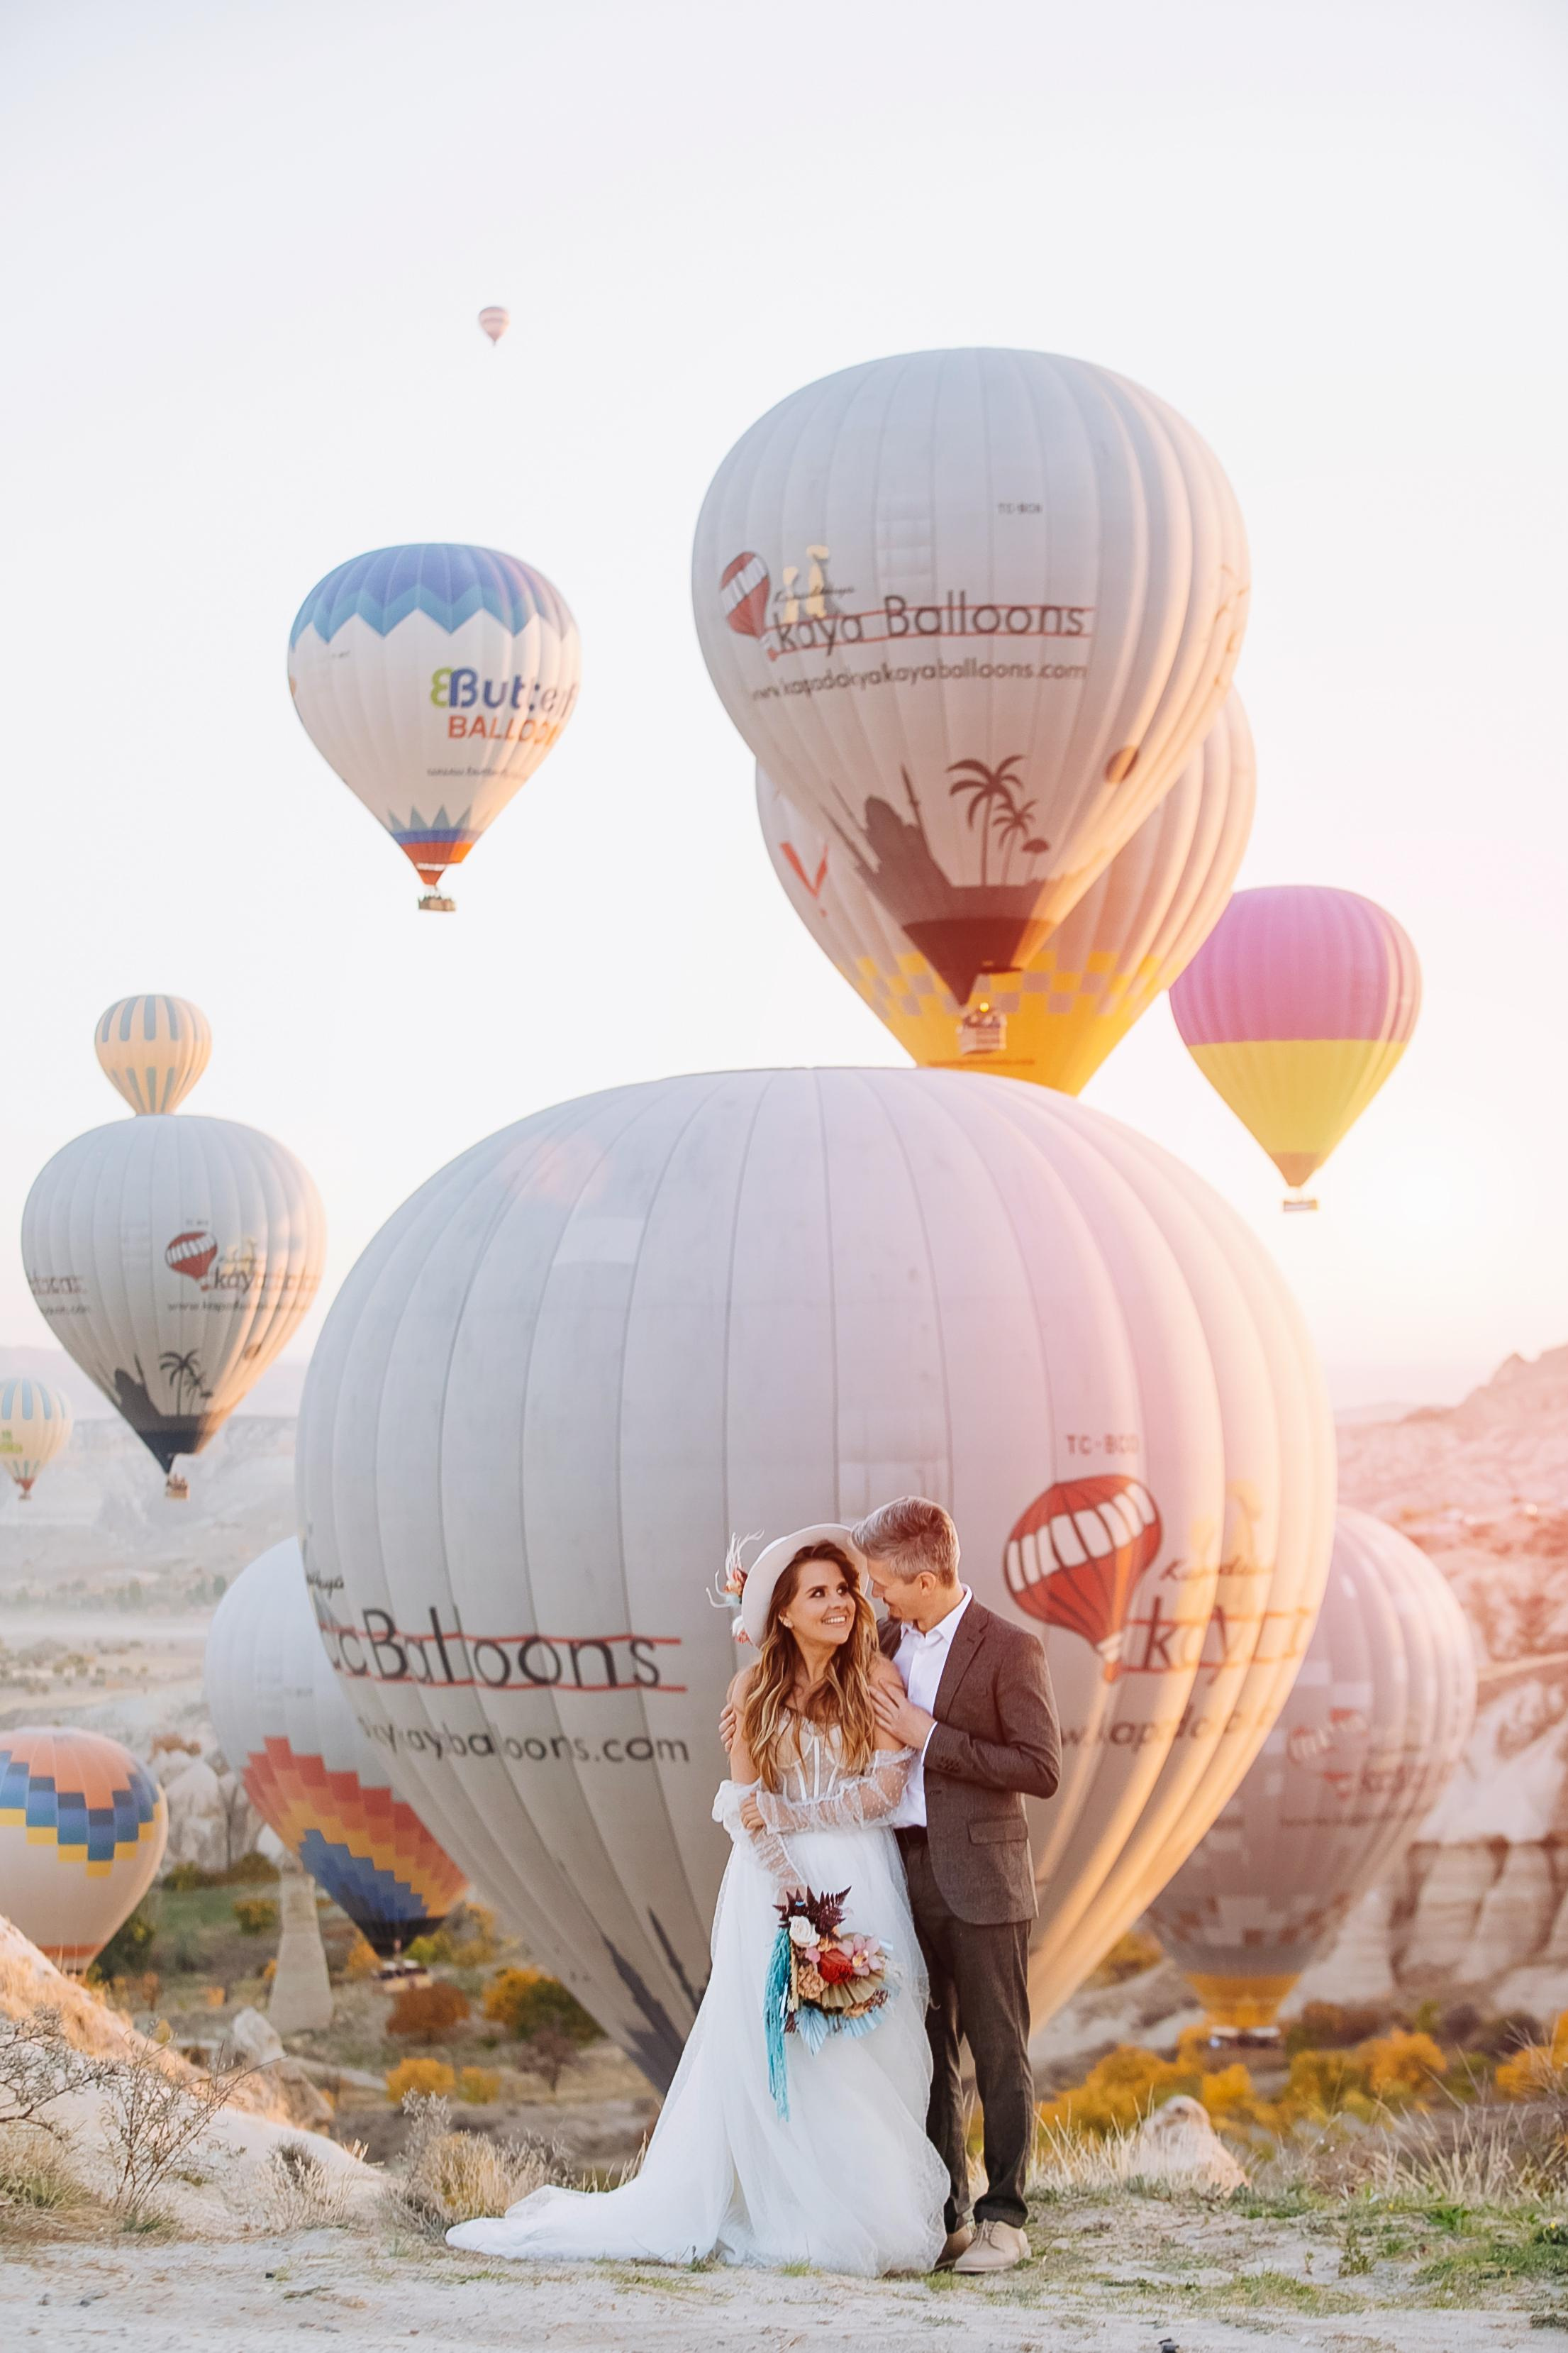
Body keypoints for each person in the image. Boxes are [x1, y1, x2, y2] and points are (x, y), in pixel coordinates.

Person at [447, 1525, 947, 2276]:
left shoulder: (876, 1678)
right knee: (782, 2053)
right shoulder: (751, 1690)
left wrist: (799, 1827)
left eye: (845, 1589)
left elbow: (882, 1793)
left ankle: (863, 2210)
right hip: (773, 1886)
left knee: (858, 2050)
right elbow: (749, 1802)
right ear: (781, 1610)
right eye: (819, 1592)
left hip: (858, 1876)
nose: (839, 1603)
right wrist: (794, 1895)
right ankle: (787, 2211)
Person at [854, 1496, 1060, 2276]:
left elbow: (1039, 1767)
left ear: (929, 1575)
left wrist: (926, 1734)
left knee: (1000, 2051)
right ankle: (944, 2218)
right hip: (898, 1874)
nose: (876, 1596)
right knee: (924, 2054)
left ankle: (1005, 2217)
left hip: (982, 1878)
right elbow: (813, 1632)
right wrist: (752, 1601)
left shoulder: (1010, 1648)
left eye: (885, 1583)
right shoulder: (883, 1636)